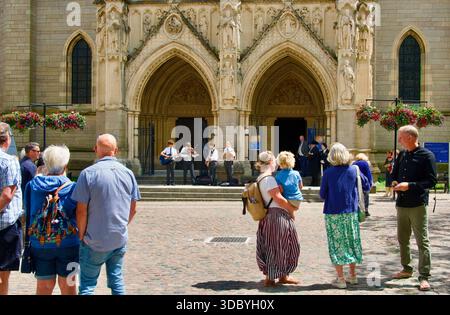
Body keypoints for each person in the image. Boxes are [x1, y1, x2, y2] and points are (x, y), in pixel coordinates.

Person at [71, 134, 141, 295]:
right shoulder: (128, 173)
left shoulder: (88, 173)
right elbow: (133, 208)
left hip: (93, 239)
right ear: (115, 151)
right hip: (118, 238)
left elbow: (81, 210)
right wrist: (121, 226)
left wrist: (81, 235)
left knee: (87, 286)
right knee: (117, 282)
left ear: (95, 149)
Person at [24, 145, 78, 295]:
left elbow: (29, 212)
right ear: (66, 165)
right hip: (70, 244)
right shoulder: (73, 187)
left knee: (44, 287)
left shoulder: (32, 186)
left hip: (40, 243)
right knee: (69, 286)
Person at [391, 125, 436, 291]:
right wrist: (394, 182)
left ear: (410, 137)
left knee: (422, 240)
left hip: (417, 204)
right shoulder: (402, 154)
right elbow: (394, 174)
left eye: (401, 137)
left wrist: (409, 186)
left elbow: (431, 182)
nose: (399, 140)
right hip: (402, 204)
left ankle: (424, 276)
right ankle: (406, 268)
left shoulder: (427, 156)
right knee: (403, 239)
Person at [319, 143, 369, 289]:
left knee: (337, 245)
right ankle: (353, 276)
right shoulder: (354, 170)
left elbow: (322, 194)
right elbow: (366, 185)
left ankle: (341, 279)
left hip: (333, 212)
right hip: (351, 212)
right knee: (352, 242)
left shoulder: (328, 173)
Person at [255, 151, 300, 287]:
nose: (276, 163)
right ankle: (271, 277)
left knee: (278, 244)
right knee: (278, 245)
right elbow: (279, 199)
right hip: (276, 215)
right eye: (274, 161)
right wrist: (291, 210)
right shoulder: (269, 179)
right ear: (270, 162)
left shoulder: (261, 178)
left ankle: (282, 275)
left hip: (270, 215)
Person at [0, 122, 23, 295]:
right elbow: (7, 195)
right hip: (4, 226)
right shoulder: (8, 161)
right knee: (2, 276)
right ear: (7, 139)